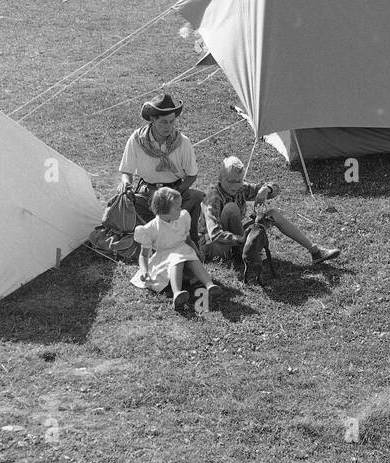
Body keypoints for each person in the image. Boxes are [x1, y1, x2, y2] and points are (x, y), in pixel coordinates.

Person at [202, 156, 341, 284]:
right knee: (231, 208)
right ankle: (246, 253)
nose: (235, 185)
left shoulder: (241, 188)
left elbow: (275, 187)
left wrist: (266, 189)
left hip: (237, 238)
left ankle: (315, 251)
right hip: (216, 247)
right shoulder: (214, 198)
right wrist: (241, 239)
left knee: (272, 214)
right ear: (220, 178)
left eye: (239, 181)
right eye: (231, 181)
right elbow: (214, 234)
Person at [118, 92, 205, 229]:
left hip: (176, 191)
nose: (168, 127)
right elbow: (126, 171)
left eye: (172, 122)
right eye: (164, 122)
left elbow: (192, 175)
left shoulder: (182, 142)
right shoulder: (137, 139)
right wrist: (126, 184)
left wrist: (176, 192)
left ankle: (191, 242)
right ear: (153, 119)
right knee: (121, 204)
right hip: (147, 193)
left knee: (198, 198)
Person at [132, 186, 218, 316]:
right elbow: (144, 255)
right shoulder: (151, 228)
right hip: (165, 258)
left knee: (191, 258)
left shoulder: (181, 218)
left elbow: (188, 240)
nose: (181, 209)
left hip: (184, 251)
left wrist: (197, 252)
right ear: (164, 210)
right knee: (177, 259)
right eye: (177, 207)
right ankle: (177, 293)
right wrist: (144, 270)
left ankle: (209, 284)